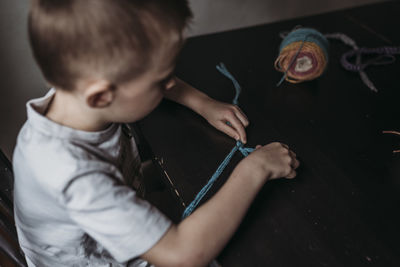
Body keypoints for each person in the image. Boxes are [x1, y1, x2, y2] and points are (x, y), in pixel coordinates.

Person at [13, 0, 300, 266]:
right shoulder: (75, 178)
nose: (169, 84)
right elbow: (183, 254)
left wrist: (201, 103)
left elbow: (142, 78)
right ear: (101, 96)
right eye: (162, 81)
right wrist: (255, 168)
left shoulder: (78, 92)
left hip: (116, 218)